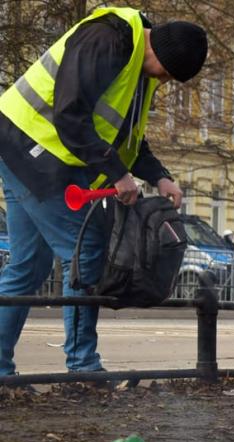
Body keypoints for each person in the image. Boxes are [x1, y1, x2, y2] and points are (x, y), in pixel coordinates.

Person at [0, 8, 206, 378]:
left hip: (28, 151)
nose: (168, 81)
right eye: (170, 73)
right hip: (30, 149)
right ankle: (83, 370)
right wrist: (116, 173)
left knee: (29, 266)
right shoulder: (107, 40)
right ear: (160, 53)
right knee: (86, 255)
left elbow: (126, 139)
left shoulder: (138, 71)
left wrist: (159, 177)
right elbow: (68, 114)